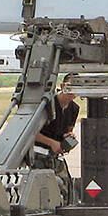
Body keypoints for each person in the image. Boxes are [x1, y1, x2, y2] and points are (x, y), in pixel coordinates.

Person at [34, 74, 79, 204]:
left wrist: (68, 137)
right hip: (39, 155)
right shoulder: (47, 104)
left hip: (56, 156)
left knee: (65, 188)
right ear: (62, 86)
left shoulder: (74, 108)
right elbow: (31, 133)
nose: (72, 92)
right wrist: (52, 143)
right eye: (70, 87)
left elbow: (68, 130)